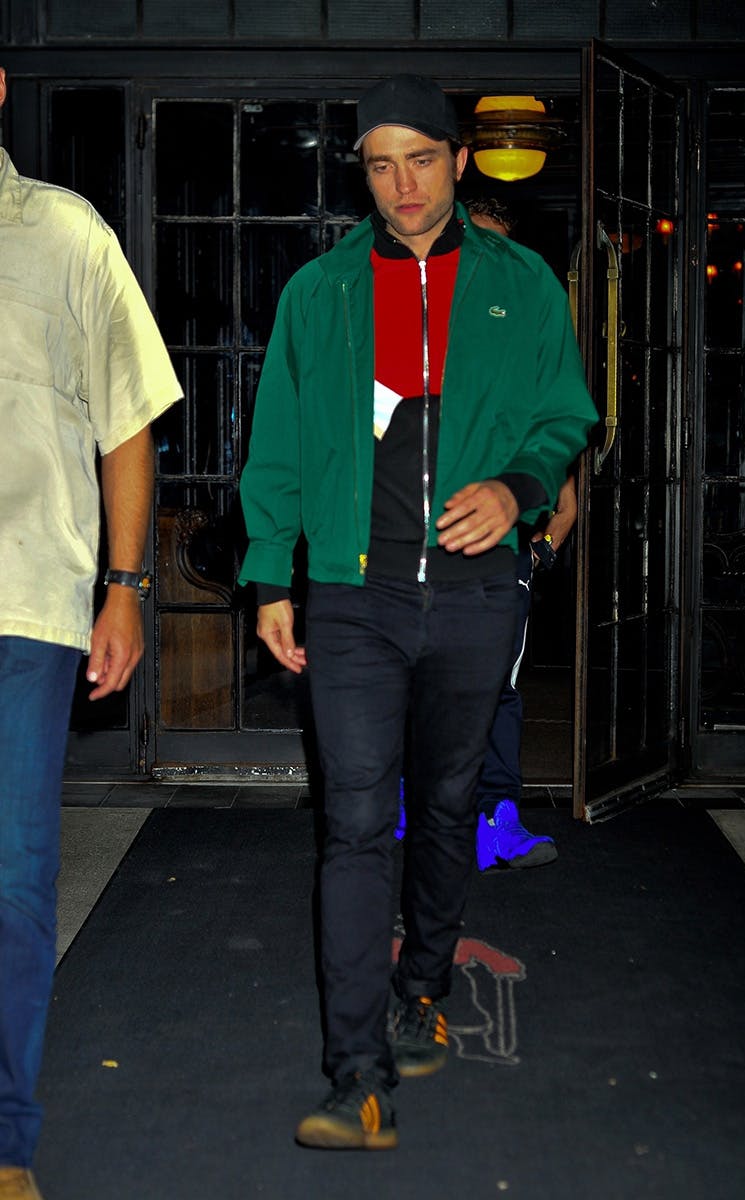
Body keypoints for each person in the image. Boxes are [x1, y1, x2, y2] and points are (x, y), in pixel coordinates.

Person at [239, 73, 596, 1151]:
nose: (402, 185)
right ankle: (355, 1075)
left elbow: (562, 416)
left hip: (477, 594)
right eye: (381, 165)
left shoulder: (522, 283)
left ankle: (423, 989)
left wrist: (519, 490)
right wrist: (271, 576)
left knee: (443, 807)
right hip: (354, 596)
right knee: (353, 823)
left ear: (458, 159)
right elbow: (278, 442)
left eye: (422, 160)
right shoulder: (320, 293)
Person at [0, 67, 182, 1200]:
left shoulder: (66, 235)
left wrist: (125, 587)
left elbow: (126, 423)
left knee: (13, 879)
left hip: (24, 609)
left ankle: (4, 1139)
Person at [395, 197, 580, 870]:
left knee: (494, 689)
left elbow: (565, 496)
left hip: (502, 566)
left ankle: (496, 819)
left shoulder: (528, 364)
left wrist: (539, 554)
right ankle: (410, 806)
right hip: (413, 557)